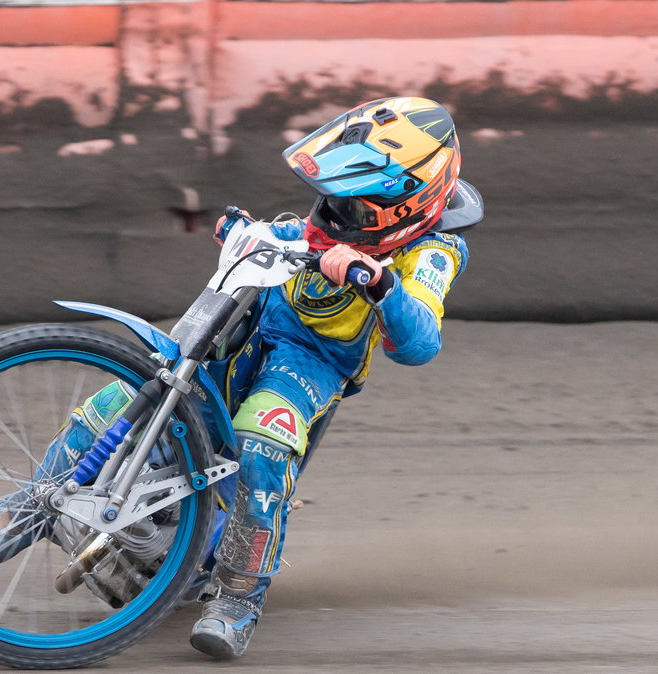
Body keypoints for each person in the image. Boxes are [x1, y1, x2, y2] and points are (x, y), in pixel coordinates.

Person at [188, 96, 481, 658]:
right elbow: (292, 235)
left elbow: (420, 342)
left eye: (351, 209)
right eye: (329, 202)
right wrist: (249, 232)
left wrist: (379, 285)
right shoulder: (333, 218)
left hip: (311, 362)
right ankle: (32, 505)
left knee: (262, 445)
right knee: (143, 387)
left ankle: (235, 601)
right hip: (251, 322)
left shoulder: (435, 252)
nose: (331, 217)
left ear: (403, 208)